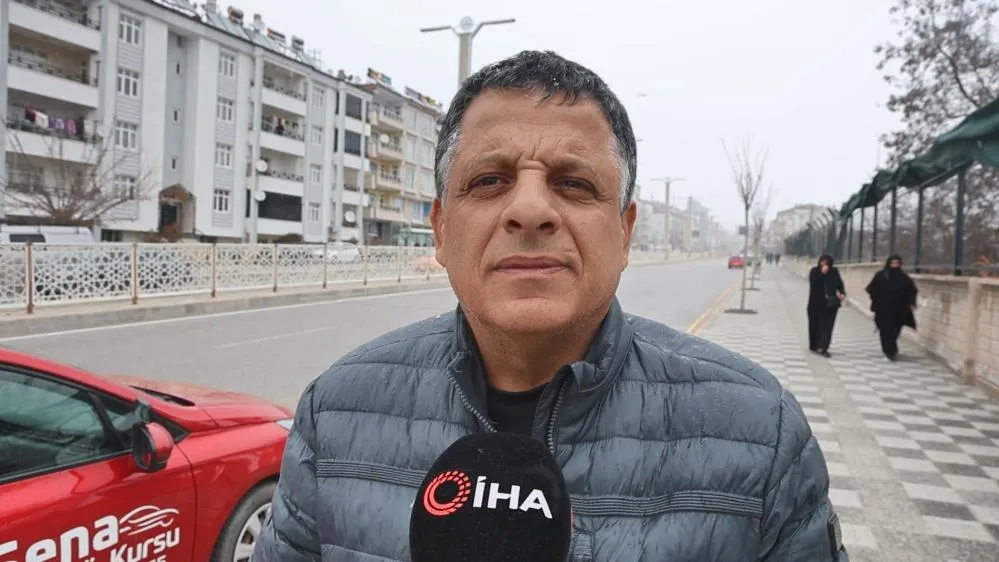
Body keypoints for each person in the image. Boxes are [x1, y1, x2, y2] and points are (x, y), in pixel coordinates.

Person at [253, 50, 846, 561]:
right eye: (490, 180)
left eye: (573, 183)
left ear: (625, 232)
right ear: (440, 229)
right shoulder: (335, 412)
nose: (530, 210)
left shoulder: (760, 435)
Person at [865, 253, 918, 360]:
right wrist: (877, 299)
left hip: (899, 309)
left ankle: (891, 349)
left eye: (897, 263)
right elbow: (871, 288)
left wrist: (911, 303)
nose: (894, 266)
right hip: (883, 309)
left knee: (895, 330)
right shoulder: (880, 275)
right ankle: (889, 352)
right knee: (885, 330)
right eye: (892, 263)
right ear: (888, 263)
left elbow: (912, 291)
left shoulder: (904, 277)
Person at [807, 254, 846, 357]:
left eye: (826, 263)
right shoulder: (814, 271)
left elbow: (840, 284)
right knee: (815, 325)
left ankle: (823, 347)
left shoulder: (834, 272)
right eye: (822, 262)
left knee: (827, 327)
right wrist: (822, 273)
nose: (824, 264)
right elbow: (813, 284)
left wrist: (842, 293)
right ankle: (815, 345)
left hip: (830, 306)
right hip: (815, 304)